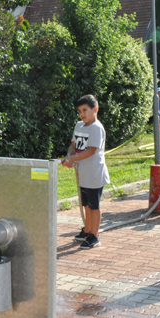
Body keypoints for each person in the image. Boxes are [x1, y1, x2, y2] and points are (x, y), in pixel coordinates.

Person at [62, 95, 110, 249]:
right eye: (79, 111)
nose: (82, 114)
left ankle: (94, 236)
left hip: (94, 174)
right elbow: (73, 145)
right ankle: (87, 230)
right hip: (83, 174)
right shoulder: (79, 126)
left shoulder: (96, 127)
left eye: (85, 110)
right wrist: (70, 157)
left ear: (95, 109)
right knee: (86, 205)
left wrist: (74, 158)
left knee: (94, 206)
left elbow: (91, 150)